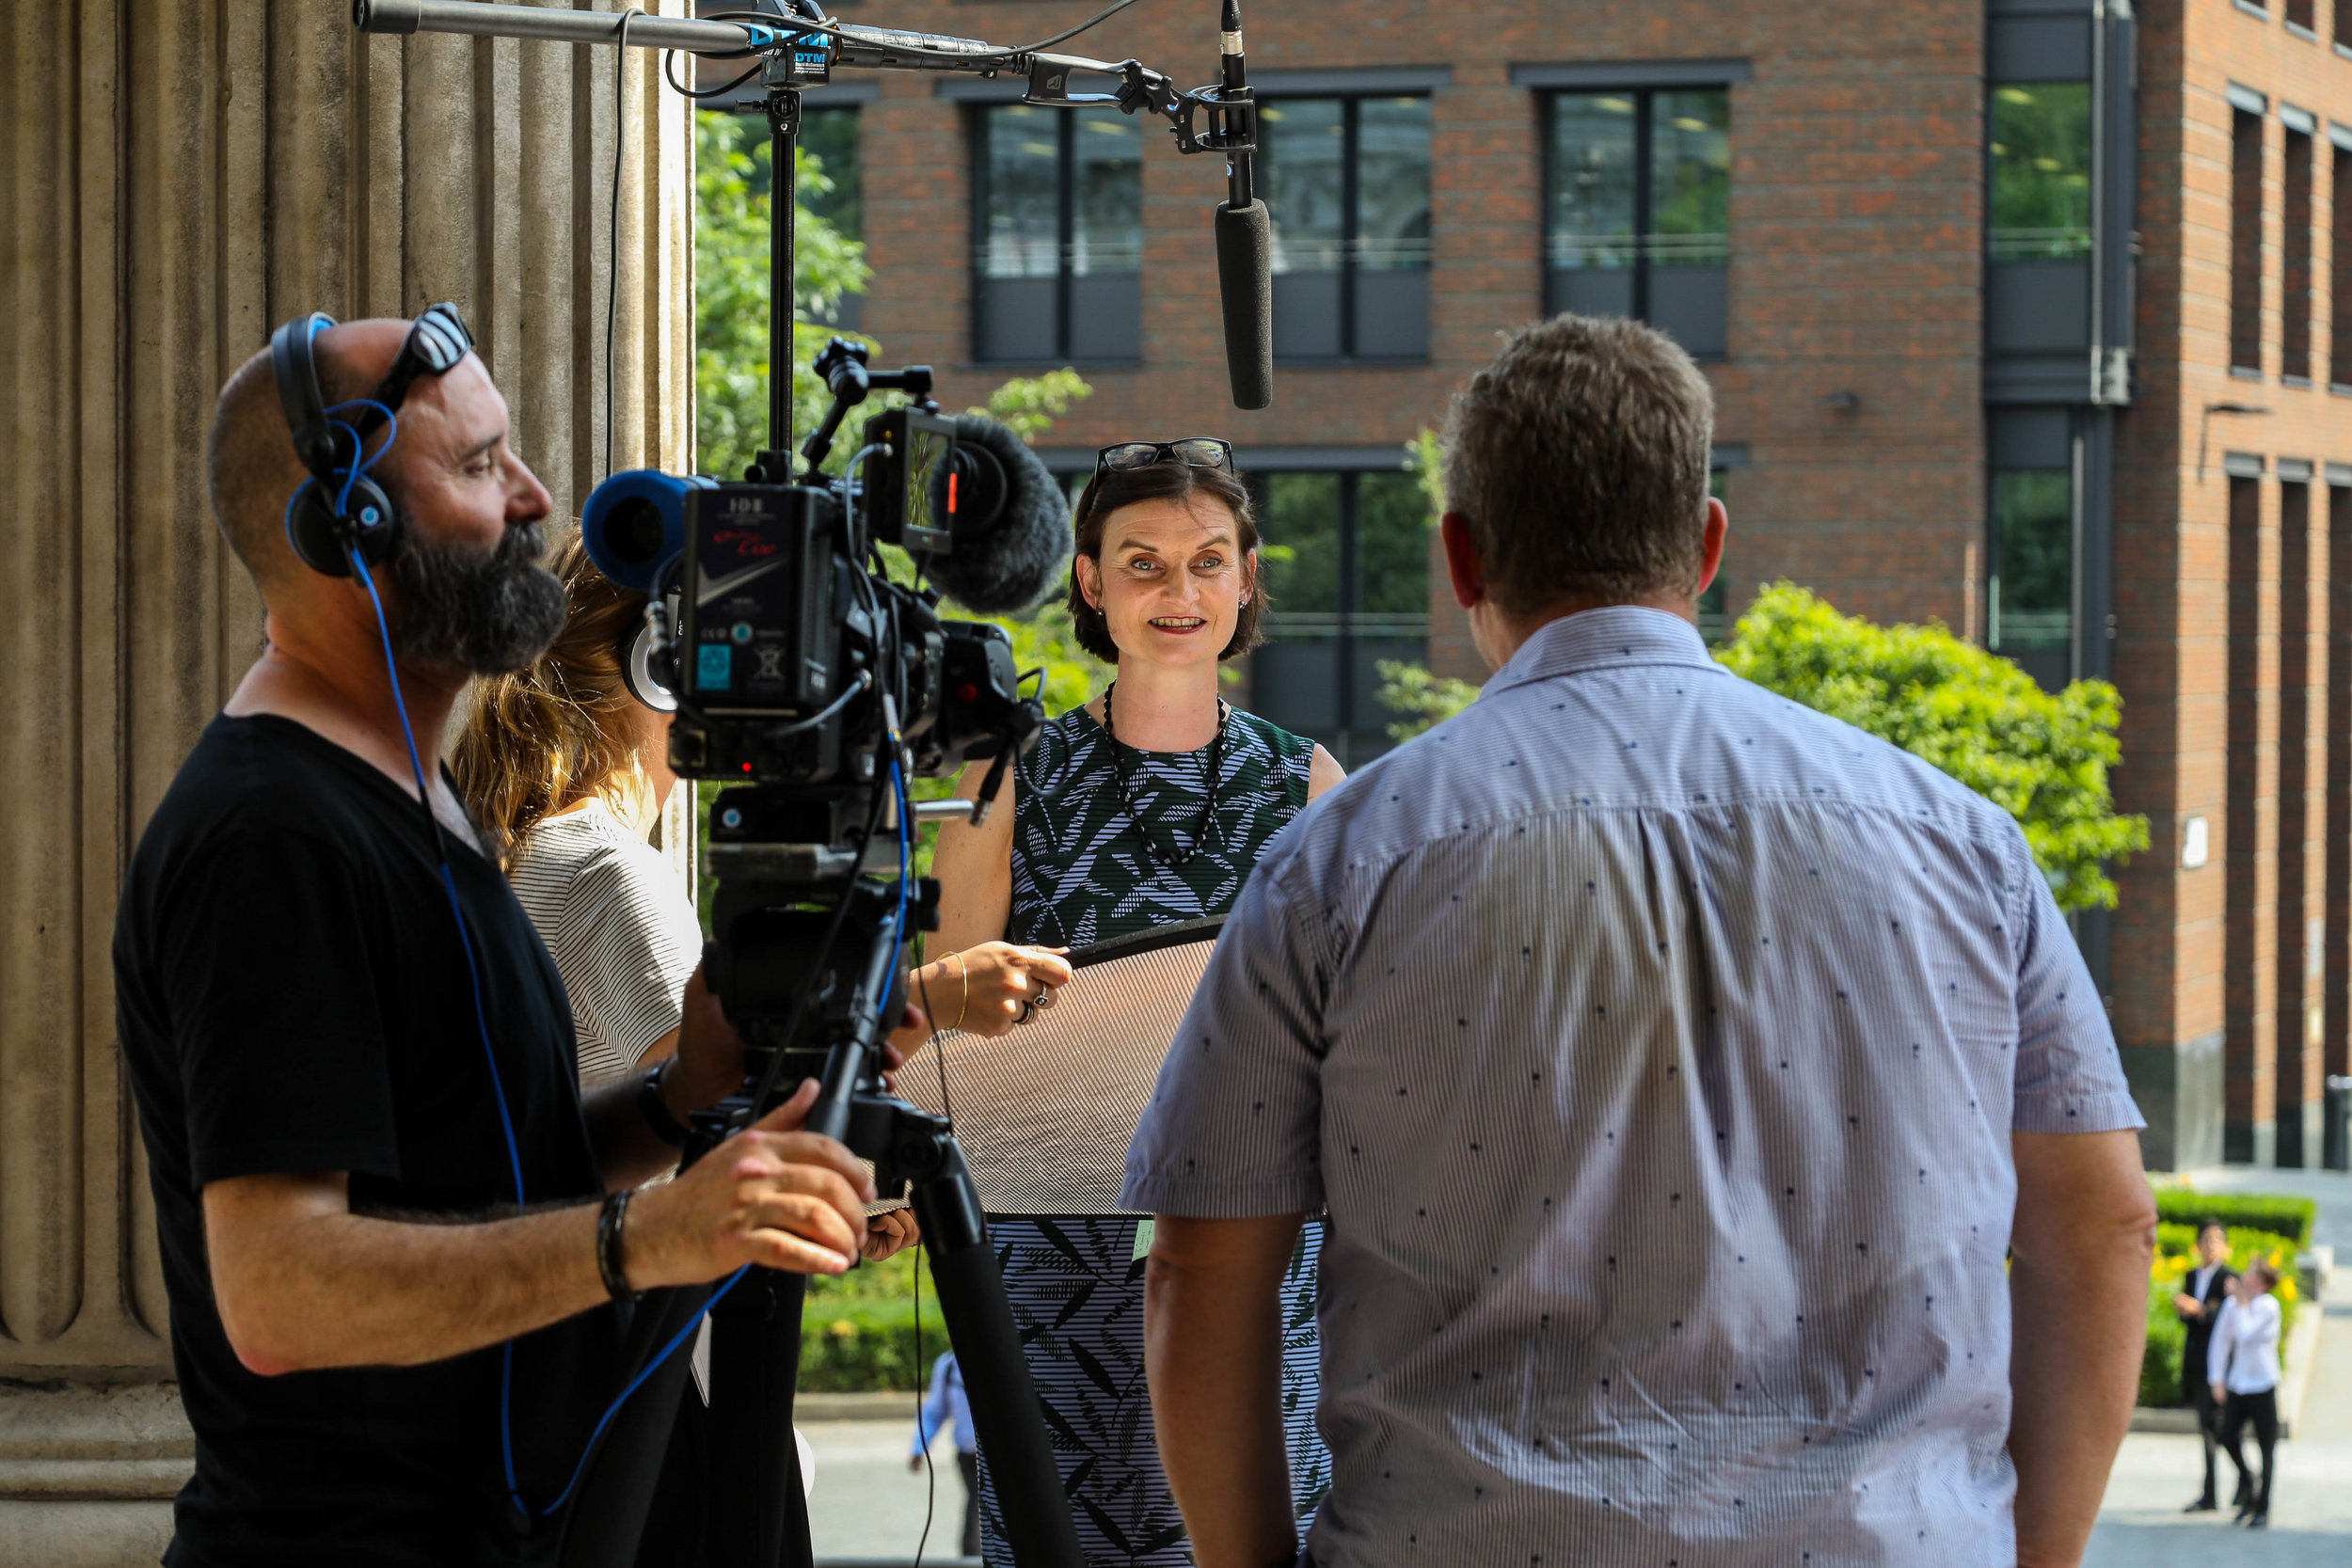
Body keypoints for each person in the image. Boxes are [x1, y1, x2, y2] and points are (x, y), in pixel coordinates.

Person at [1124, 313, 2157, 1568]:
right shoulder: (1962, 840)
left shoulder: (1340, 858)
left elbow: (1202, 1269)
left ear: (1460, 556)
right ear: (1709, 541)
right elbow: (2103, 1224)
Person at [113, 309, 886, 1568]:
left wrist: (682, 1093)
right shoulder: (274, 833)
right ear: (343, 525)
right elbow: (282, 1286)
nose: (532, 496)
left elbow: (472, 1176)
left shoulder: (420, 804)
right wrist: (647, 1238)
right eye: (477, 466)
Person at [930, 437, 1343, 1564]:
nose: (1179, 591)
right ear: (1089, 580)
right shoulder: (1010, 773)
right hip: (1047, 1259)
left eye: (1209, 561)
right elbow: (945, 1050)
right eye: (1144, 562)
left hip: (1257, 1256)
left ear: (1247, 578)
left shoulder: (1310, 784)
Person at [2210, 1259, 2283, 1528]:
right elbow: (2221, 1342)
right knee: (2227, 1435)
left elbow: (2245, 1333)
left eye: (2252, 1275)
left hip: (2263, 1385)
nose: (2245, 1278)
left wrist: (2241, 1303)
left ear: (2263, 1284)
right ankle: (2247, 1479)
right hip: (2239, 1384)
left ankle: (2263, 1506)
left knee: (2267, 1448)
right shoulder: (2234, 1305)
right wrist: (2216, 1379)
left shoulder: (2268, 1307)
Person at [2174, 1218, 2240, 1513]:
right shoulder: (2191, 1275)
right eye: (2206, 1239)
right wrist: (2188, 1310)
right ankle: (2214, 1491)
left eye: (2217, 1240)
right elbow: (2185, 1318)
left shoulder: (2229, 1278)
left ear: (2225, 1246)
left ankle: (2244, 1479)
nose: (2211, 1245)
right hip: (2197, 1362)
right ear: (2198, 1244)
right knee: (2208, 1427)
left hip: (2221, 1367)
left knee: (2219, 1427)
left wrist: (2198, 1310)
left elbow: (2229, 1320)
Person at [910, 1352, 981, 1556]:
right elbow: (935, 1410)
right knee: (978, 1507)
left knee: (980, 1512)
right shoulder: (948, 1365)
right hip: (969, 1456)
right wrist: (919, 1447)